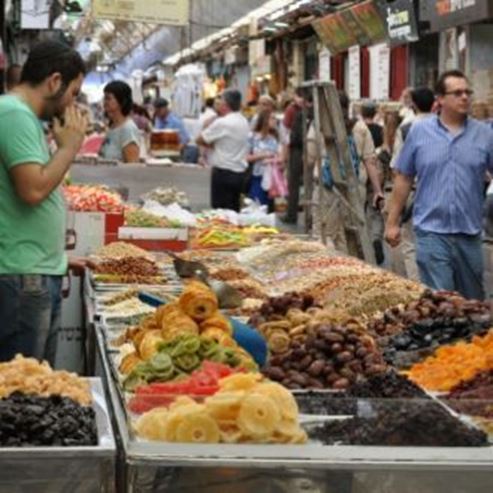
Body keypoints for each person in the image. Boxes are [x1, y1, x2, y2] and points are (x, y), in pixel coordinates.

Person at [0, 41, 88, 364]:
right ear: (54, 81)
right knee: (21, 396)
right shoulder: (14, 115)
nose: (72, 103)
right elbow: (33, 190)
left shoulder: (22, 117)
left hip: (34, 272)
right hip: (22, 278)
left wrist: (59, 257)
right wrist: (69, 148)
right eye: (73, 92)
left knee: (35, 390)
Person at [385, 70, 493, 300]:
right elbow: (403, 177)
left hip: (469, 233)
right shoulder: (419, 132)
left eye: (467, 92)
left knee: (473, 303)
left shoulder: (485, 134)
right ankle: (443, 338)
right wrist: (392, 222)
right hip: (431, 233)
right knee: (441, 302)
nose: (465, 97)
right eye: (457, 93)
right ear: (440, 99)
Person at [308, 91, 384, 255]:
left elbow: (310, 156)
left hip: (325, 188)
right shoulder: (360, 127)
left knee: (324, 234)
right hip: (354, 189)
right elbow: (371, 161)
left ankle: (329, 273)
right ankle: (348, 270)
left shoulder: (318, 125)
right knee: (350, 235)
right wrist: (378, 191)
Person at [387, 87, 435, 281]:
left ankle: (418, 288)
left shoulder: (407, 128)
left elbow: (398, 167)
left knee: (410, 244)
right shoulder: (442, 126)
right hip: (435, 191)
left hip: (413, 192)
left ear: (413, 104)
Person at [197, 89, 250, 212]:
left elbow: (200, 139)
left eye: (220, 101)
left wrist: (213, 145)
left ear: (226, 104)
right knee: (234, 209)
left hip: (224, 172)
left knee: (221, 211)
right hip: (239, 172)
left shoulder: (223, 123)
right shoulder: (243, 120)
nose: (218, 104)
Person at [281, 88, 307, 224]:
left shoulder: (292, 109)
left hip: (296, 149)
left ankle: (292, 215)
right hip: (306, 148)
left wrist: (284, 154)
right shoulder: (312, 108)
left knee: (294, 183)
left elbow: (285, 133)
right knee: (307, 184)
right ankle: (309, 217)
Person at [99, 81, 141, 163]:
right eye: (104, 98)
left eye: (108, 98)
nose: (105, 102)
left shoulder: (128, 129)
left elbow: (132, 166)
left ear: (122, 101)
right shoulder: (112, 127)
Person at [247, 110, 280, 210]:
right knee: (257, 207)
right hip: (256, 177)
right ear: (265, 120)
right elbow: (246, 157)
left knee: (269, 209)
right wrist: (263, 155)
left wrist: (274, 160)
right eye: (272, 118)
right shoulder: (252, 137)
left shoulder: (275, 138)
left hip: (271, 179)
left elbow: (280, 158)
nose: (275, 121)